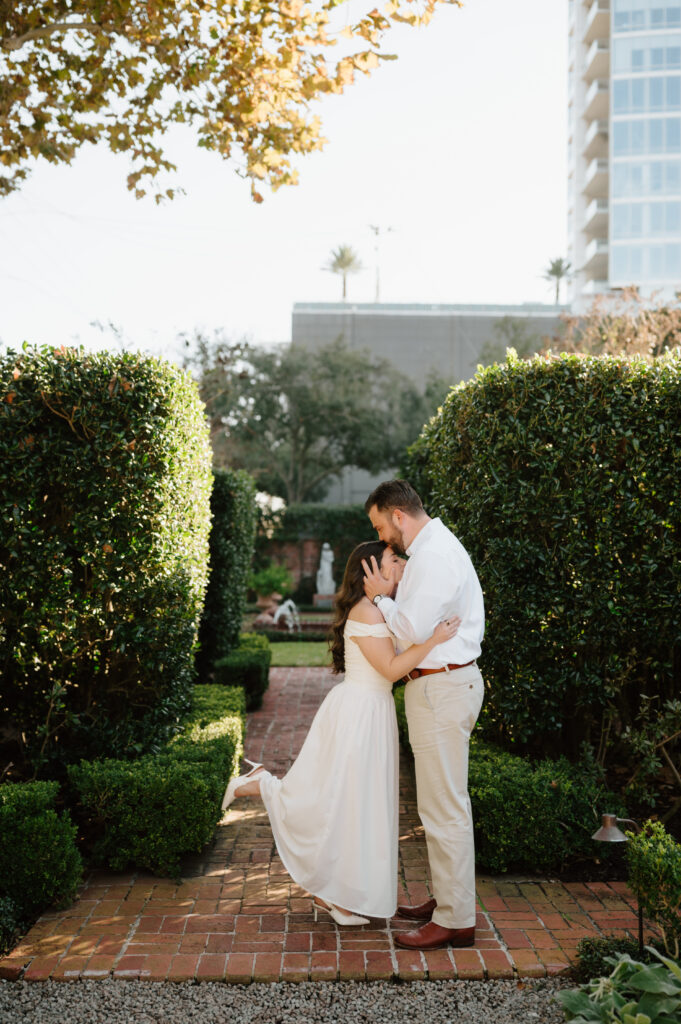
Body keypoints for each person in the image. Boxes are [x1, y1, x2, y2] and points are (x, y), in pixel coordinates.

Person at [222, 539, 459, 926]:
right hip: (360, 713)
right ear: (370, 572)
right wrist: (434, 641)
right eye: (392, 559)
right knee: (343, 803)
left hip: (372, 710)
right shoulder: (366, 612)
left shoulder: (379, 608)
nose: (400, 564)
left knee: (355, 806)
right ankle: (261, 785)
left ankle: (337, 897)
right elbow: (390, 669)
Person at [362, 479, 485, 952]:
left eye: (380, 525)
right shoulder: (435, 548)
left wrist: (379, 597)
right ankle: (448, 899)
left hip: (442, 686)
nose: (382, 538)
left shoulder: (433, 555)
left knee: (444, 807)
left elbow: (411, 629)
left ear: (397, 515)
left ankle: (456, 919)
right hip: (441, 685)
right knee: (440, 803)